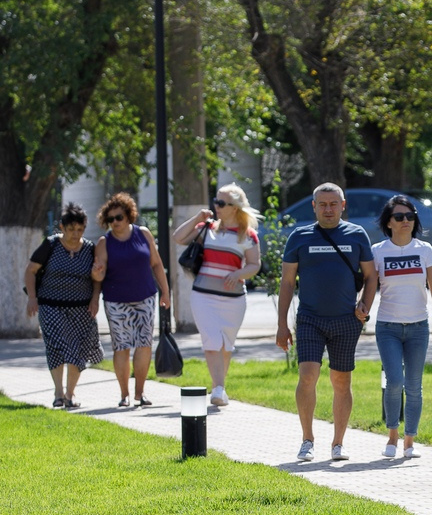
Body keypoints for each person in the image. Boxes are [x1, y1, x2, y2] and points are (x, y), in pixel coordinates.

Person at [275, 183, 377, 462]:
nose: (328, 209)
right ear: (314, 206)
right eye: (323, 204)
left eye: (334, 204)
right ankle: (307, 439)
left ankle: (338, 443)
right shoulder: (299, 237)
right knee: (308, 375)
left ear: (343, 205)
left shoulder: (357, 235)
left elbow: (371, 276)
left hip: (346, 320)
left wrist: (365, 305)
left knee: (341, 381)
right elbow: (286, 282)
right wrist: (282, 324)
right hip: (309, 318)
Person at [172, 184, 262, 406]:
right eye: (215, 201)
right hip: (203, 295)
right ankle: (218, 389)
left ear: (234, 207)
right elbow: (178, 237)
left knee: (226, 344)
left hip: (234, 299)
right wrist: (197, 218)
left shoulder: (248, 235)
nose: (216, 206)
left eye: (221, 203)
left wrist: (240, 272)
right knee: (211, 341)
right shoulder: (208, 227)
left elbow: (255, 265)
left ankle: (220, 386)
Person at [371, 194, 432, 458]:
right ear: (388, 222)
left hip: (418, 327)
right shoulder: (378, 251)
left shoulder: (424, 250)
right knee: (394, 381)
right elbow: (369, 286)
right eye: (399, 217)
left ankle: (409, 442)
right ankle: (392, 437)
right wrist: (360, 309)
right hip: (388, 326)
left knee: (414, 385)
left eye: (410, 217)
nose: (405, 221)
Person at [93, 192, 171, 407]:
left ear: (128, 215)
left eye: (118, 217)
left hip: (145, 297)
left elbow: (156, 264)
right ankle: (124, 394)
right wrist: (97, 273)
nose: (114, 222)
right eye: (110, 219)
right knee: (121, 347)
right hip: (116, 301)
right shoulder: (104, 242)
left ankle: (140, 393)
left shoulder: (143, 234)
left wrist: (166, 292)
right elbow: (98, 277)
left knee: (144, 344)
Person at [24, 203, 104, 408]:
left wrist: (95, 299)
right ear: (62, 227)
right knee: (57, 347)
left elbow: (97, 278)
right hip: (52, 307)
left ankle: (70, 394)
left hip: (81, 309)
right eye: (71, 229)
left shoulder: (89, 248)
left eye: (80, 229)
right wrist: (32, 297)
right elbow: (30, 271)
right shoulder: (50, 245)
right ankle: (58, 393)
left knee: (78, 350)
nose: (75, 234)